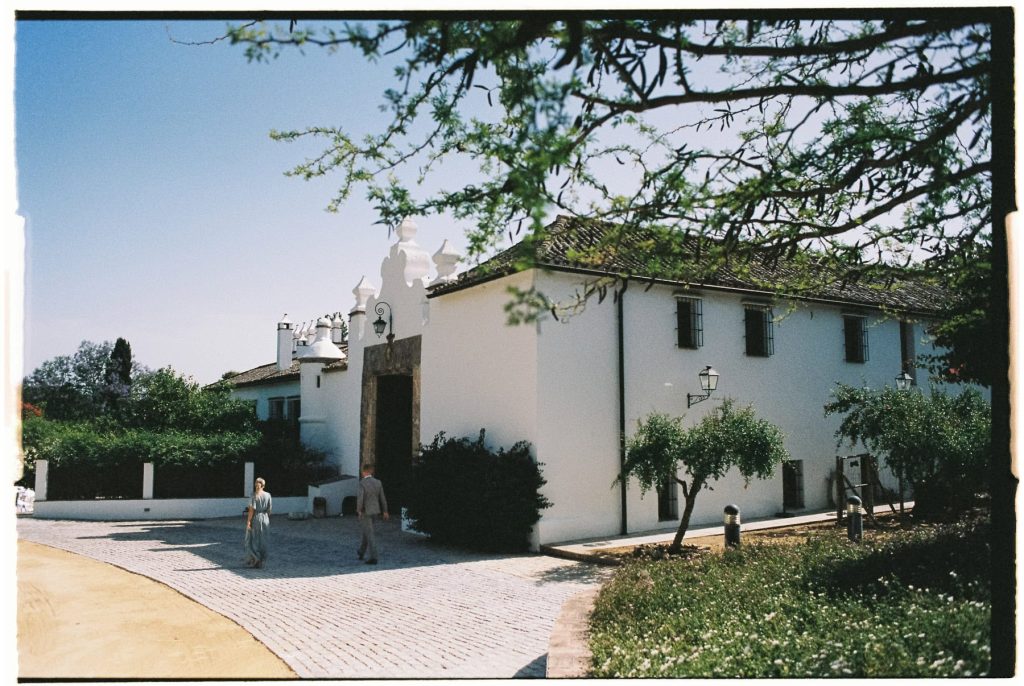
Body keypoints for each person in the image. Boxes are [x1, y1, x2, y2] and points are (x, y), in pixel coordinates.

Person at [356, 463, 389, 565]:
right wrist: (385, 511)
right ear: (371, 471)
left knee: (369, 534)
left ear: (363, 472)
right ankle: (361, 551)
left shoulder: (362, 483)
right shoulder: (378, 482)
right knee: (367, 531)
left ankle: (374, 557)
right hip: (375, 511)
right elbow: (382, 498)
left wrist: (359, 510)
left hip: (366, 511)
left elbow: (360, 498)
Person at [244, 477, 272, 568]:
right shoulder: (268, 495)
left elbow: (251, 510)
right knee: (263, 539)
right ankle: (261, 560)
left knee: (252, 539)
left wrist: (248, 522)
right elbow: (269, 510)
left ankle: (255, 558)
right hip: (265, 519)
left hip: (256, 518)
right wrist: (265, 517)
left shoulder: (254, 495)